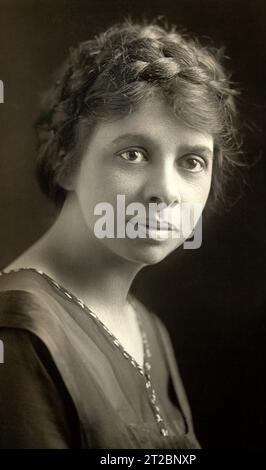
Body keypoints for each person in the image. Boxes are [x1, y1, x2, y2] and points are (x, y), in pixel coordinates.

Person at [0, 17, 244, 448]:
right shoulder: (20, 332)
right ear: (66, 160)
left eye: (192, 162)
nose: (165, 193)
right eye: (133, 154)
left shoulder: (146, 328)